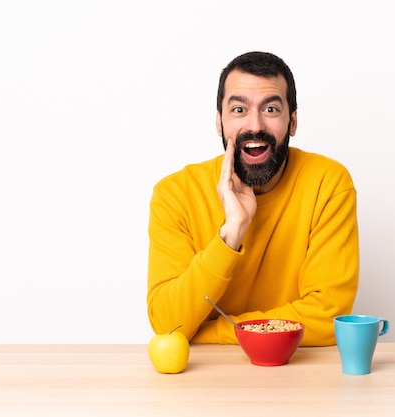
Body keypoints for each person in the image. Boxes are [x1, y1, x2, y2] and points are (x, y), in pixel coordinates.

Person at [147, 51, 359, 346]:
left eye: (271, 109)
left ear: (293, 122)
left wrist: (212, 332)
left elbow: (328, 316)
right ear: (219, 122)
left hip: (298, 374)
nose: (255, 125)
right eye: (238, 110)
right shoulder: (175, 194)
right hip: (204, 381)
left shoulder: (328, 184)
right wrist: (230, 234)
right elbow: (168, 323)